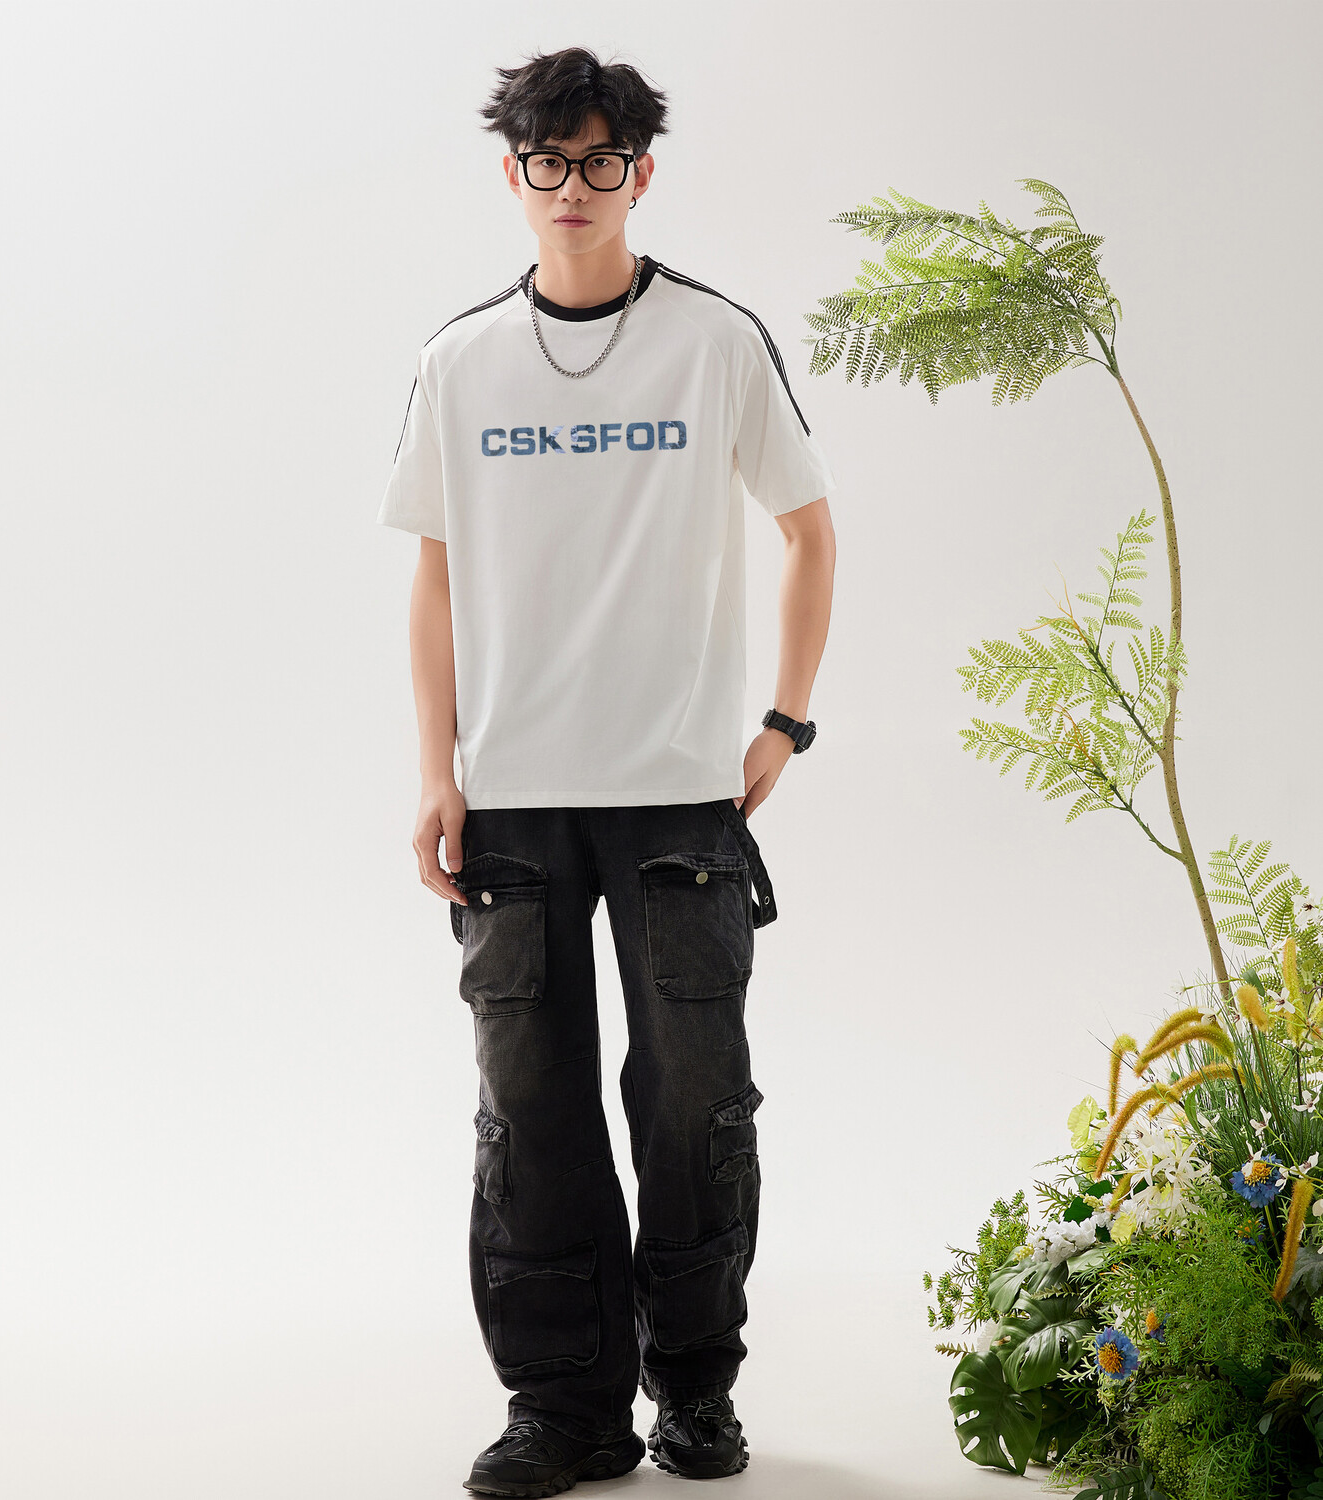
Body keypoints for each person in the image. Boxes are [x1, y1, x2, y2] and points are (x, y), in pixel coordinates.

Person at [377, 45, 840, 1498]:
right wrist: (438, 769)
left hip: (679, 794)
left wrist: (785, 722)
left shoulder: (715, 341)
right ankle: (563, 1409)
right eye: (546, 161)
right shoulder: (459, 361)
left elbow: (809, 529)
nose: (570, 186)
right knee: (532, 1113)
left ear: (641, 173)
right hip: (512, 796)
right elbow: (434, 581)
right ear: (512, 175)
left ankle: (693, 1390)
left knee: (694, 1105)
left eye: (597, 161)